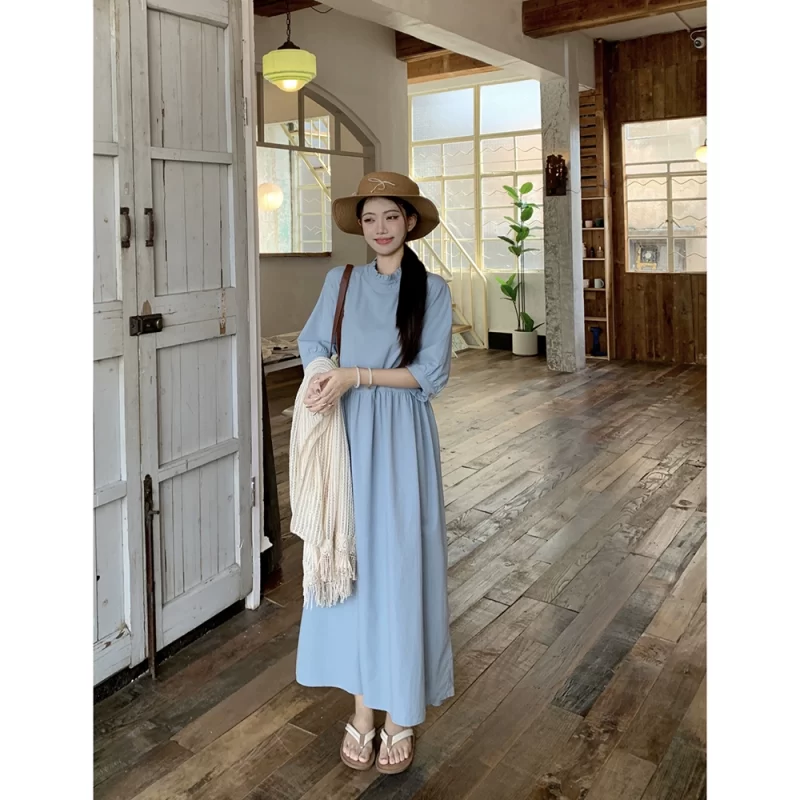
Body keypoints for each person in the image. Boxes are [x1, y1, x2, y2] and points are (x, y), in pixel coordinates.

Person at [294, 172, 454, 774]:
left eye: (391, 216)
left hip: (402, 437)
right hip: (347, 434)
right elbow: (313, 343)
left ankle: (401, 714)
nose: (380, 229)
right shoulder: (341, 282)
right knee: (352, 562)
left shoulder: (431, 290)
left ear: (410, 222)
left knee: (400, 567)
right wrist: (323, 376)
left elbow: (429, 374)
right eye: (369, 219)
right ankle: (363, 709)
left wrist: (354, 376)